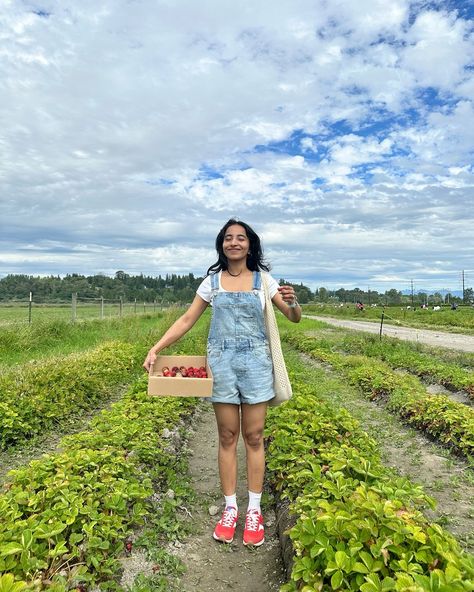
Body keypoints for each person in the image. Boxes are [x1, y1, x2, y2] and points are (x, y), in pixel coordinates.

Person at [143, 218, 301, 547]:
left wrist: (294, 301)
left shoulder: (264, 280)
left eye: (240, 238)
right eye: (228, 238)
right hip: (222, 366)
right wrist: (157, 348)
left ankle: (254, 510)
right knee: (227, 435)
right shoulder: (211, 283)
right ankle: (231, 508)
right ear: (222, 245)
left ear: (250, 244)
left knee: (254, 436)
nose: (234, 243)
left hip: (256, 364)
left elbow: (292, 316)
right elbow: (187, 319)